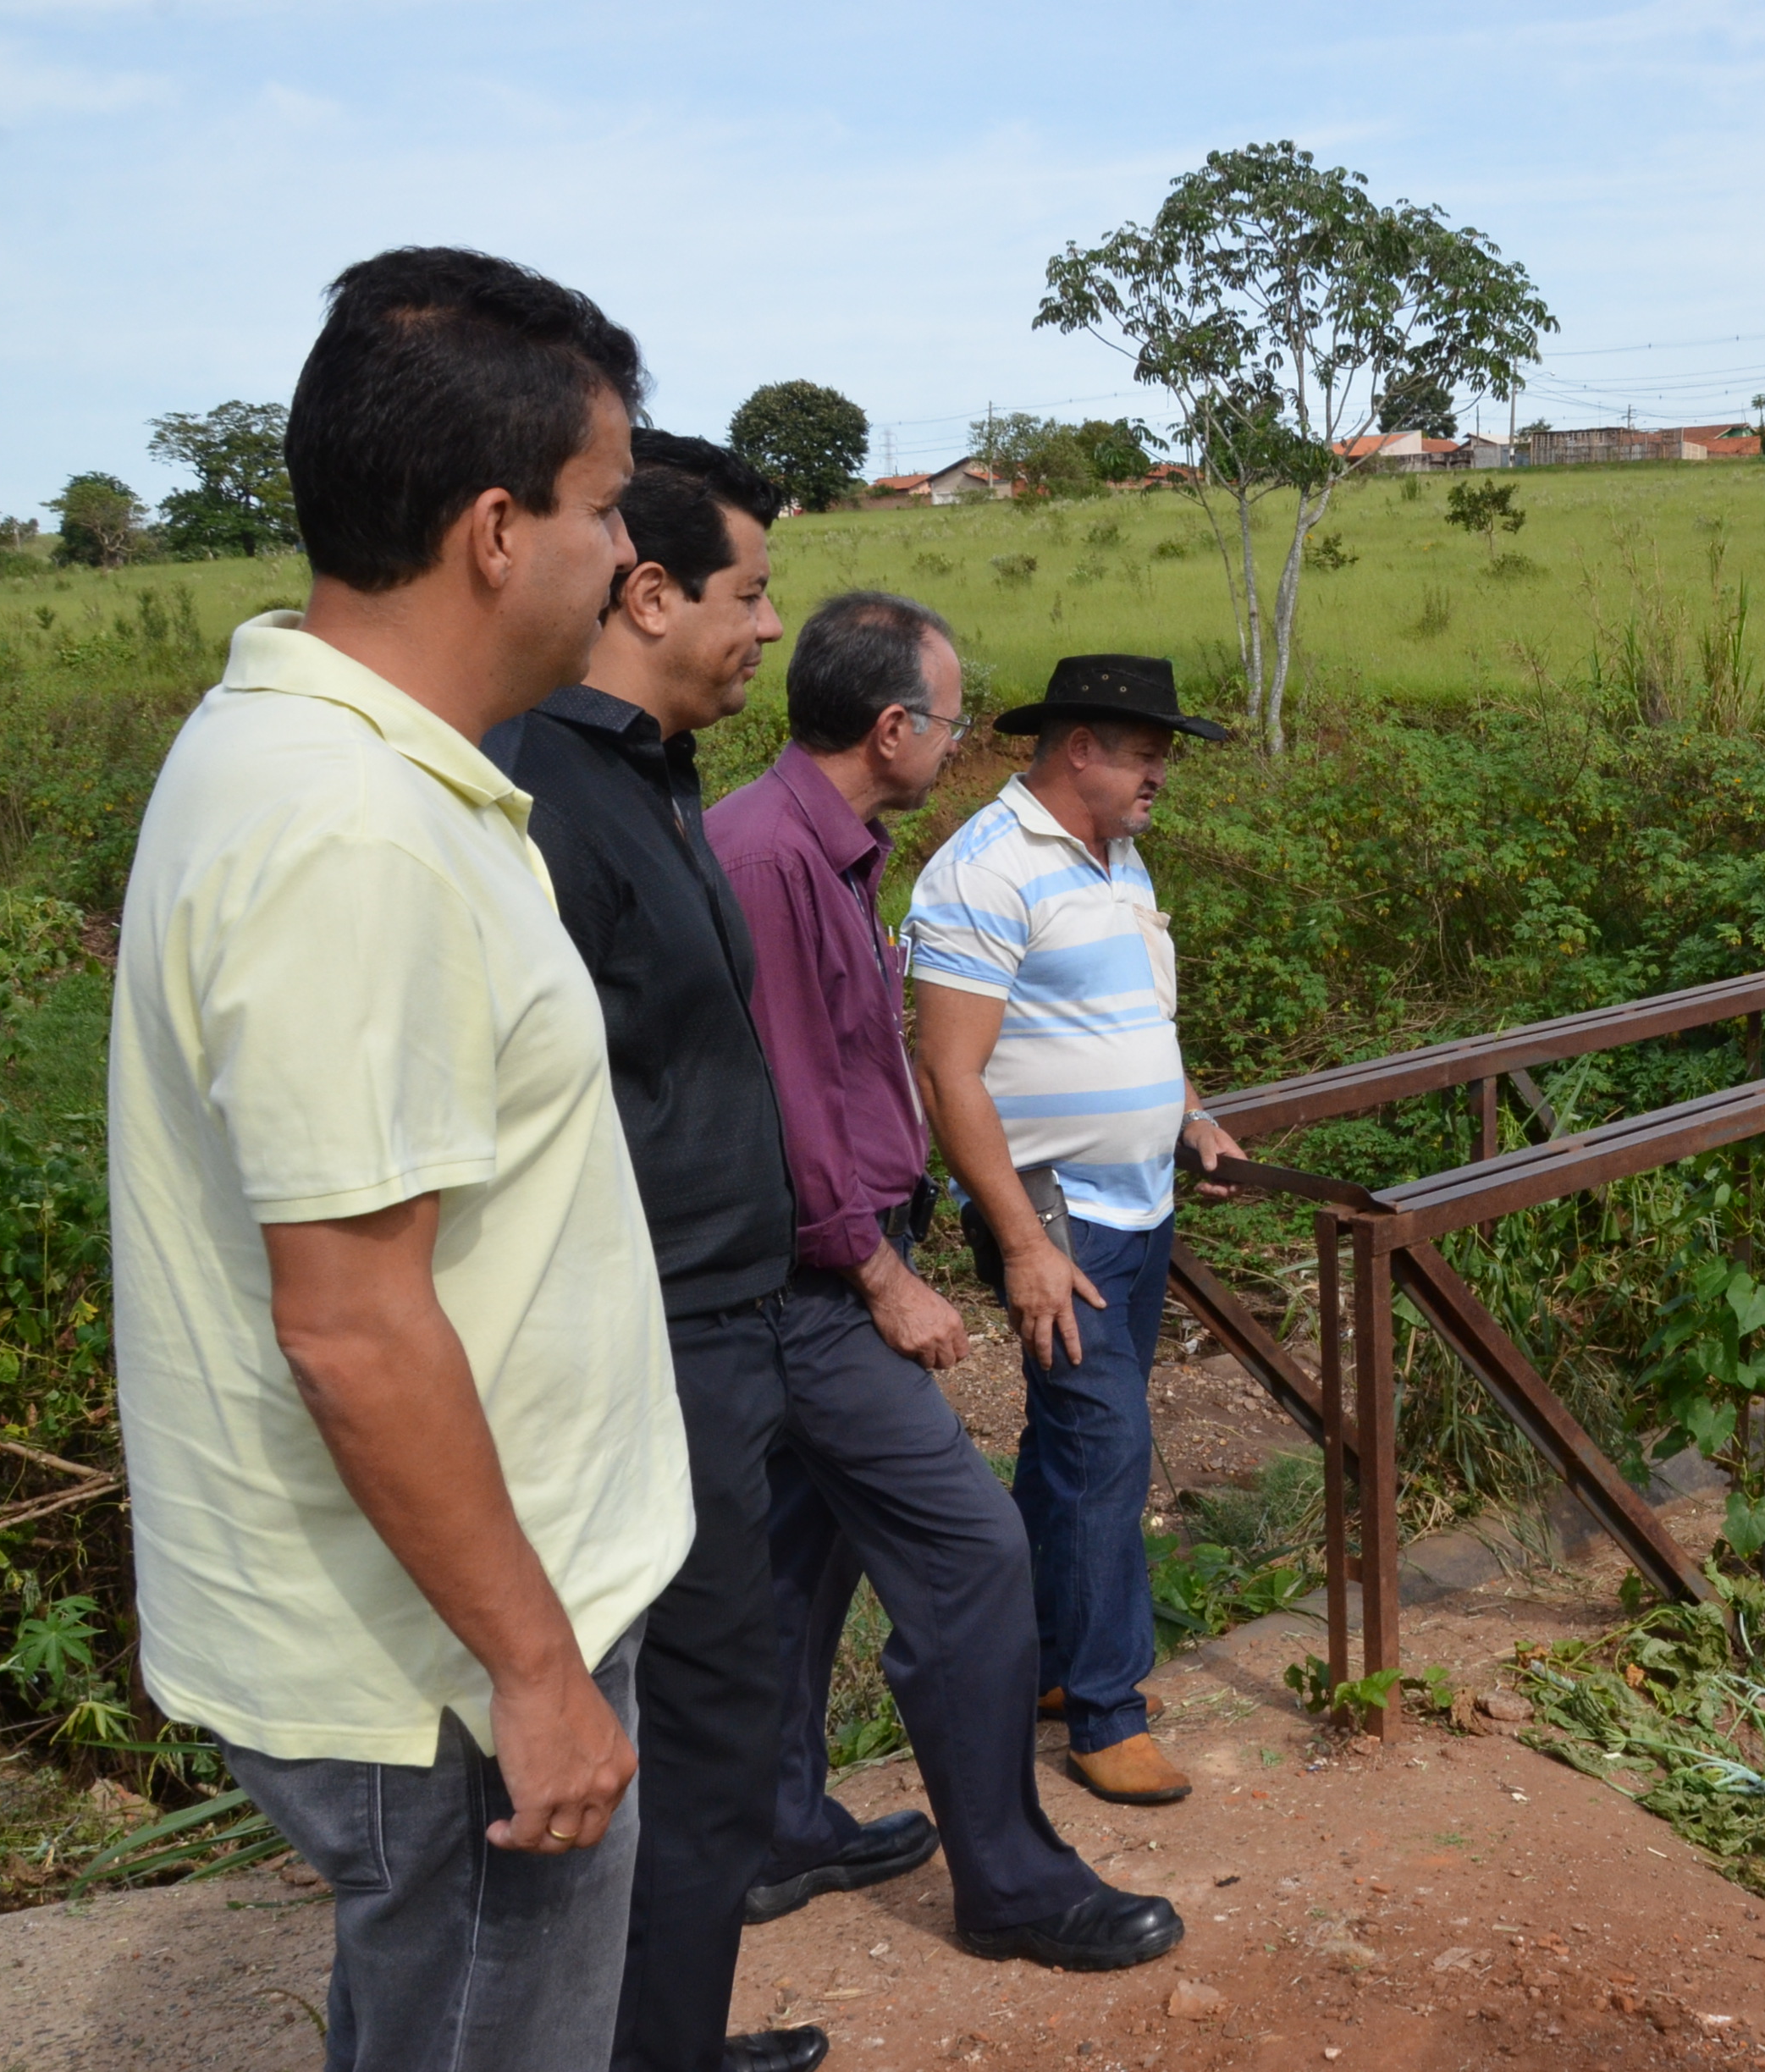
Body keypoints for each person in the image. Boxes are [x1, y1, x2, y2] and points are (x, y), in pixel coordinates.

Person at [108, 248, 688, 2072]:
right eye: (606, 509)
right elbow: (352, 1324)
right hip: (443, 1671)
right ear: (498, 531)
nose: (625, 557)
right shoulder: (350, 834)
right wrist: (536, 1669)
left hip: (462, 1625)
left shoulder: (354, 768)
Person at [706, 592, 1183, 1972]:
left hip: (861, 1252)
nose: (962, 741)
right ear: (894, 725)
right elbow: (790, 1098)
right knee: (973, 1555)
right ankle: (1019, 1873)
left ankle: (778, 1821)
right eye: (955, 716)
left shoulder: (827, 847)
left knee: (808, 1552)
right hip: (821, 1275)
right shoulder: (772, 858)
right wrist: (878, 1267)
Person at [482, 432, 825, 2072]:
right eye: (750, 592)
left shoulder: (650, 773)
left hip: (727, 1322)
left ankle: (664, 2034)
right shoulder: (546, 794)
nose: (770, 626)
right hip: (656, 1342)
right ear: (651, 589)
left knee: (711, 1716)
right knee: (697, 1724)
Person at [904, 653, 1244, 1809]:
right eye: (1148, 755)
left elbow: (1144, 1013)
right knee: (1106, 1452)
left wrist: (1191, 1113)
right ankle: (1107, 1711)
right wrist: (1022, 1245)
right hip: (1057, 1216)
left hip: (1142, 1199)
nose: (1162, 776)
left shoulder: (1117, 855)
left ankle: (1046, 1660)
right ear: (1080, 749)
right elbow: (948, 1075)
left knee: (1066, 1445)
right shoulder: (986, 871)